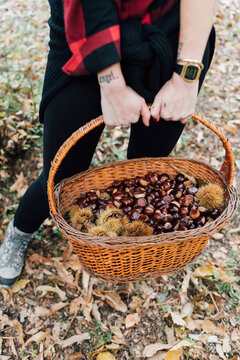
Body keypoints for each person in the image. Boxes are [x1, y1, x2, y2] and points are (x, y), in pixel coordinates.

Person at [0, 0, 217, 287]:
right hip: (86, 36)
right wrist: (111, 82)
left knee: (146, 172)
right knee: (60, 175)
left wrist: (186, 78)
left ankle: (131, 238)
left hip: (174, 38)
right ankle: (20, 230)